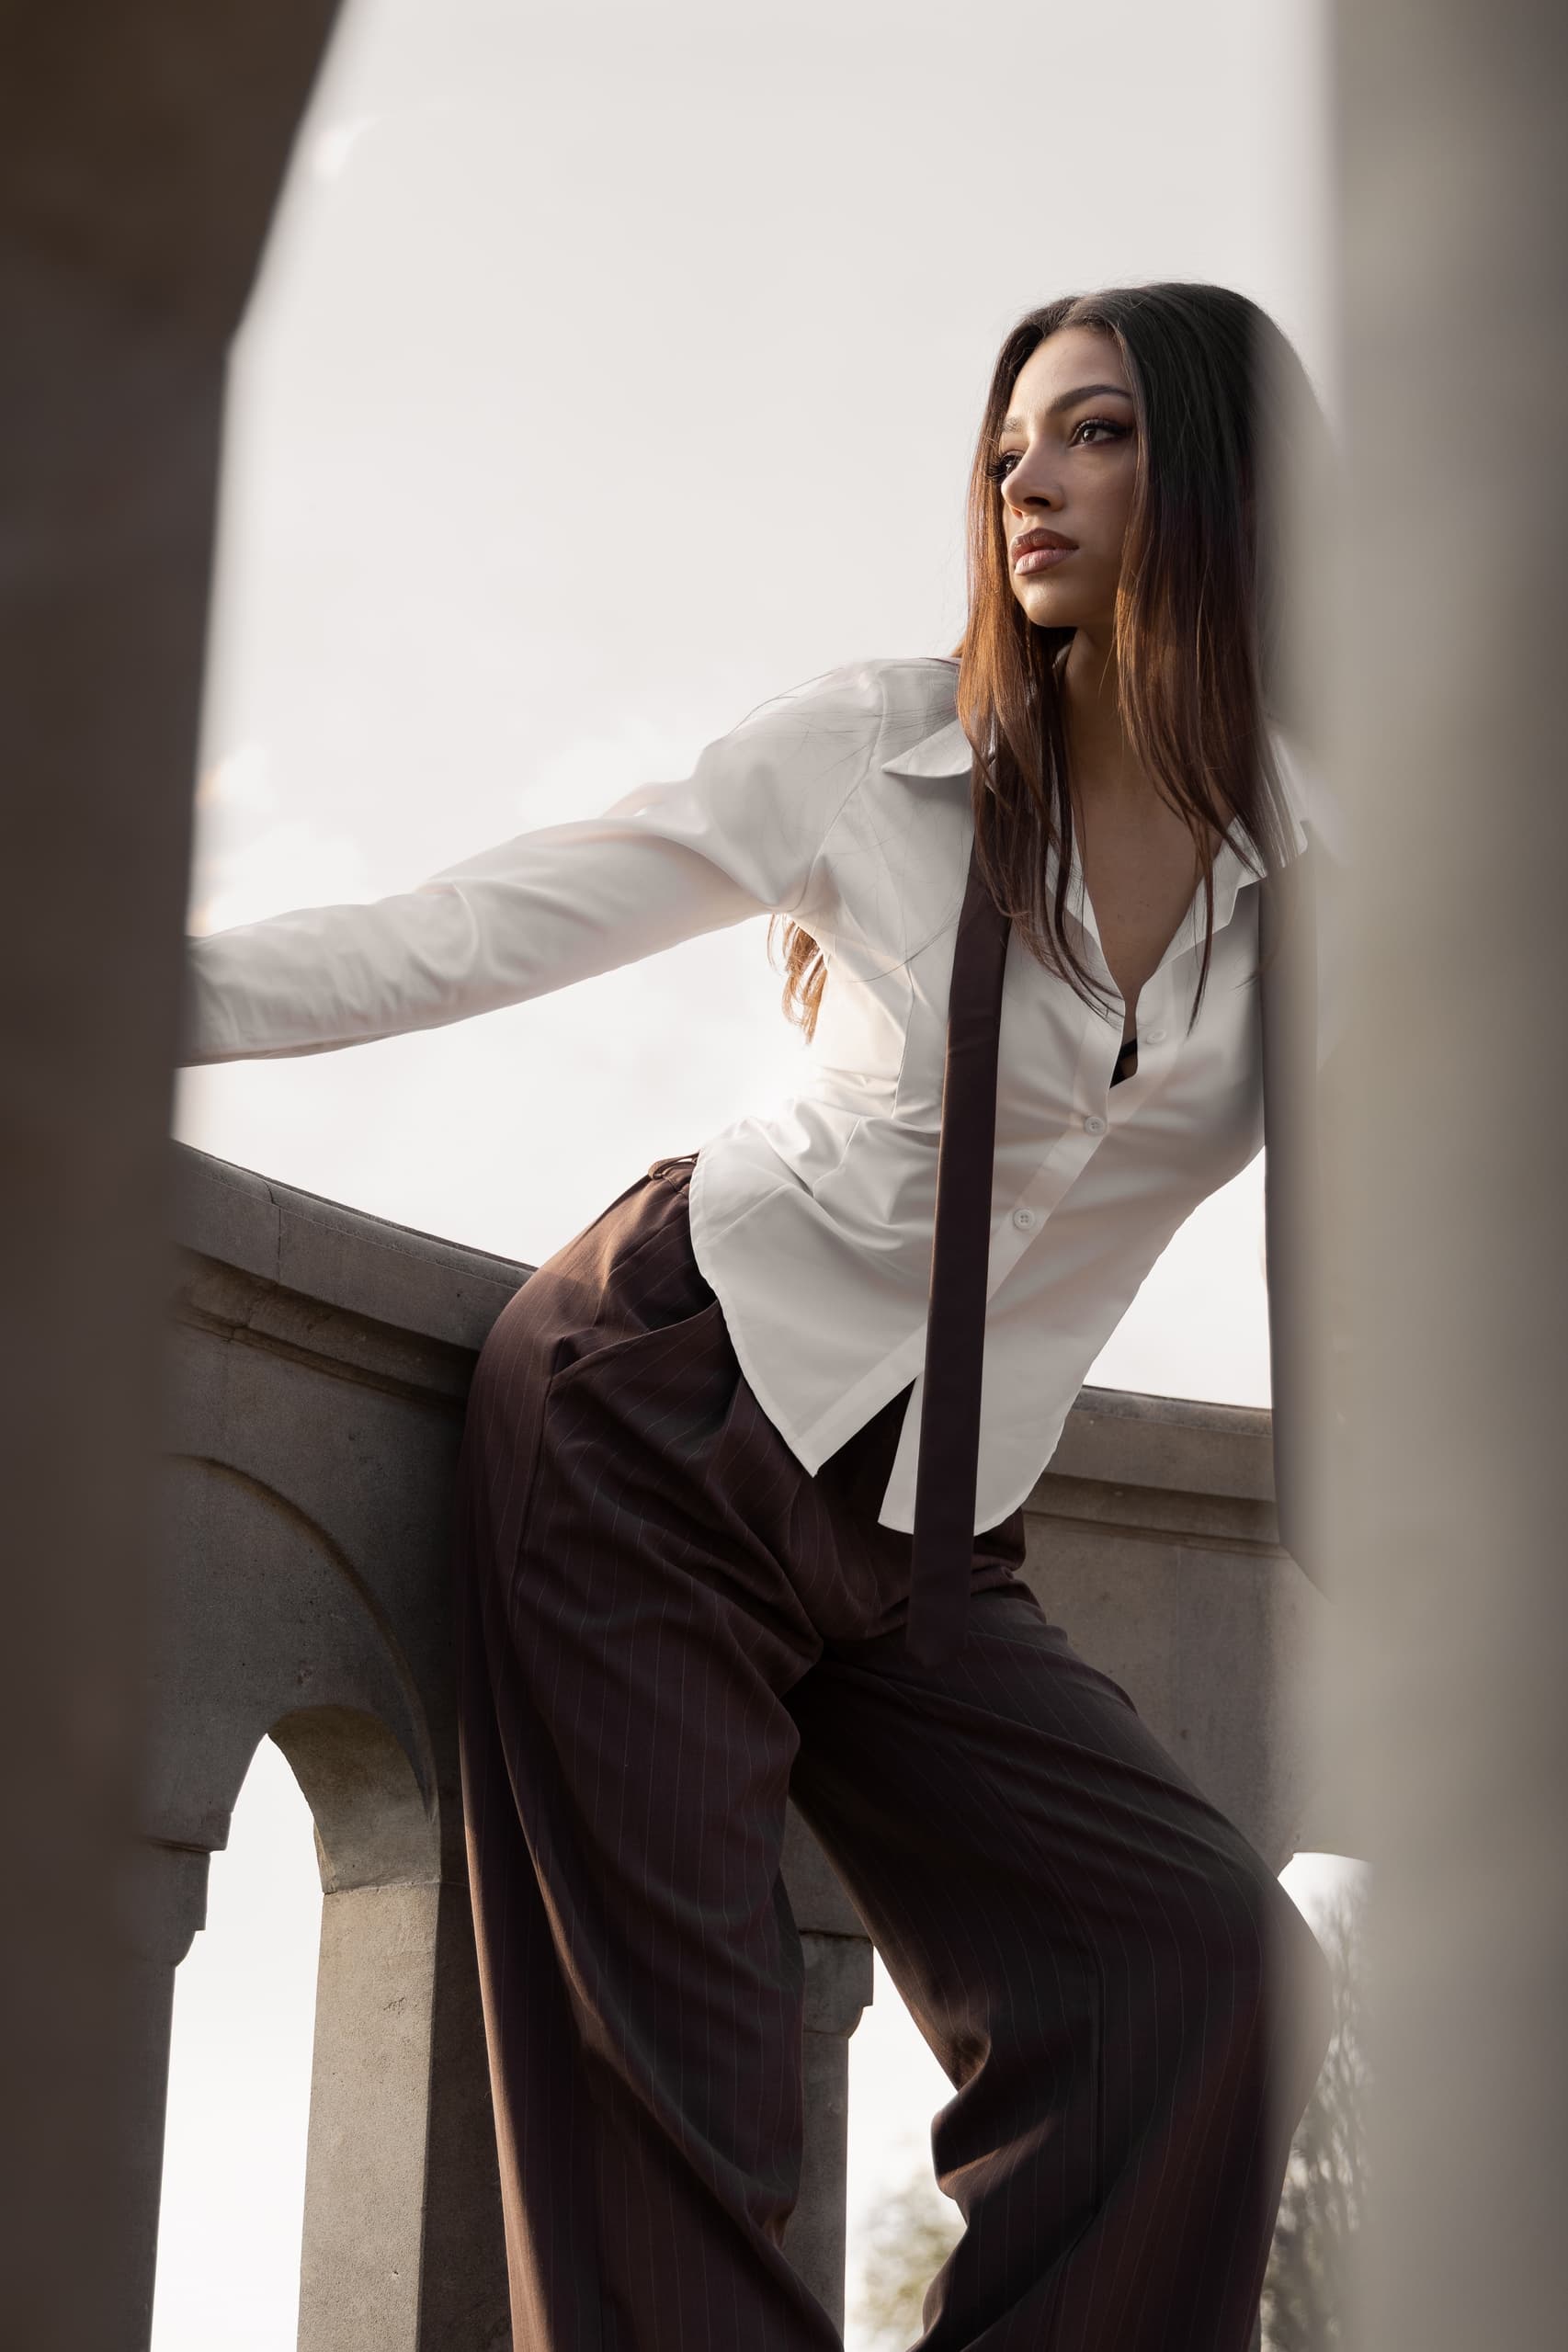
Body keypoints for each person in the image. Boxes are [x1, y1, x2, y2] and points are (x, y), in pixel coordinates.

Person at [181, 280, 1342, 2352]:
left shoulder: (1315, 886)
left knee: (1199, 1972)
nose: (1027, 487)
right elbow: (467, 927)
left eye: (1095, 435)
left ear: (1231, 479)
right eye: (1006, 449)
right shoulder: (876, 755)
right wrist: (98, 980)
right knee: (682, 2128)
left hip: (933, 1549)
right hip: (660, 1424)